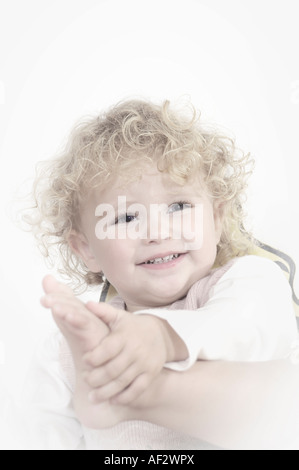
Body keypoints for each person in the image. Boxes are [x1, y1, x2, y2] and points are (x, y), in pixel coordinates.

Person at [25, 99, 299, 450]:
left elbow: (252, 325)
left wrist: (162, 336)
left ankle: (136, 394)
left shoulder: (244, 282)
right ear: (86, 249)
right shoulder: (72, 348)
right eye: (125, 218)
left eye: (178, 206)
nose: (156, 232)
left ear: (216, 220)